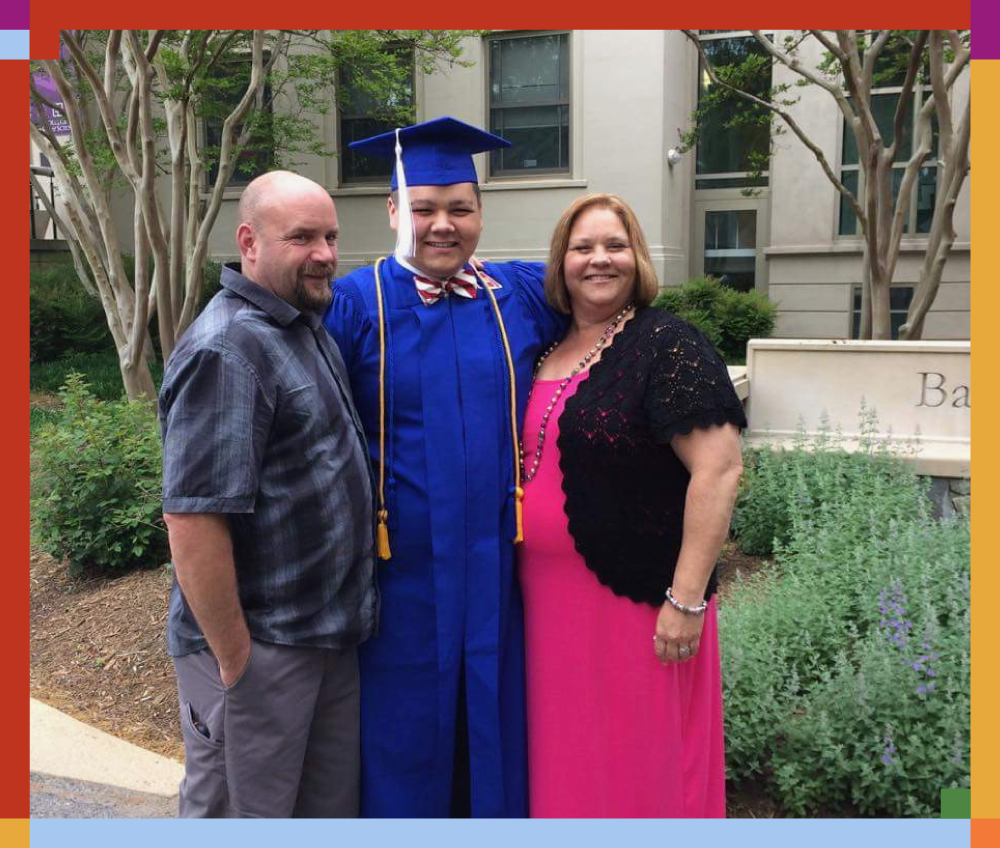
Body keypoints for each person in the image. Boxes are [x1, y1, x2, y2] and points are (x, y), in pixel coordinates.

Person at [323, 117, 565, 817]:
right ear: (394, 210)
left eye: (459, 207)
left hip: (501, 576)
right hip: (398, 580)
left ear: (480, 213)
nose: (442, 225)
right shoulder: (351, 305)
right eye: (424, 207)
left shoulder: (514, 296)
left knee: (496, 728)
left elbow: (605, 304)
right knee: (404, 738)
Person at [518, 193, 745, 818]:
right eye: (583, 247)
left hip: (636, 605)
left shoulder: (668, 344)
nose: (599, 260)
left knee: (640, 764)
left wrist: (687, 599)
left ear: (637, 258)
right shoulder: (544, 351)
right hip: (545, 603)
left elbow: (719, 470)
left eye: (614, 246)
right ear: (561, 262)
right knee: (565, 758)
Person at [160, 170, 378, 818]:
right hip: (259, 647)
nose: (325, 254)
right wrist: (237, 662)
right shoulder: (228, 347)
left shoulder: (301, 326)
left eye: (331, 237)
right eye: (303, 237)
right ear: (249, 242)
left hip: (324, 639)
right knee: (239, 816)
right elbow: (193, 519)